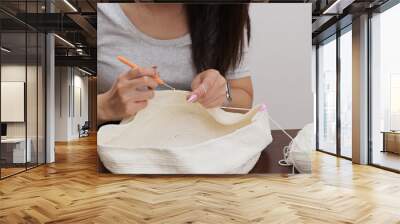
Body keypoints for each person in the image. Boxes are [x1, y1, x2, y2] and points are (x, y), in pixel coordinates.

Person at [97, 3, 253, 125]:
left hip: (198, 147)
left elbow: (244, 99)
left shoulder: (227, 13)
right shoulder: (99, 14)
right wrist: (103, 107)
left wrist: (222, 95)